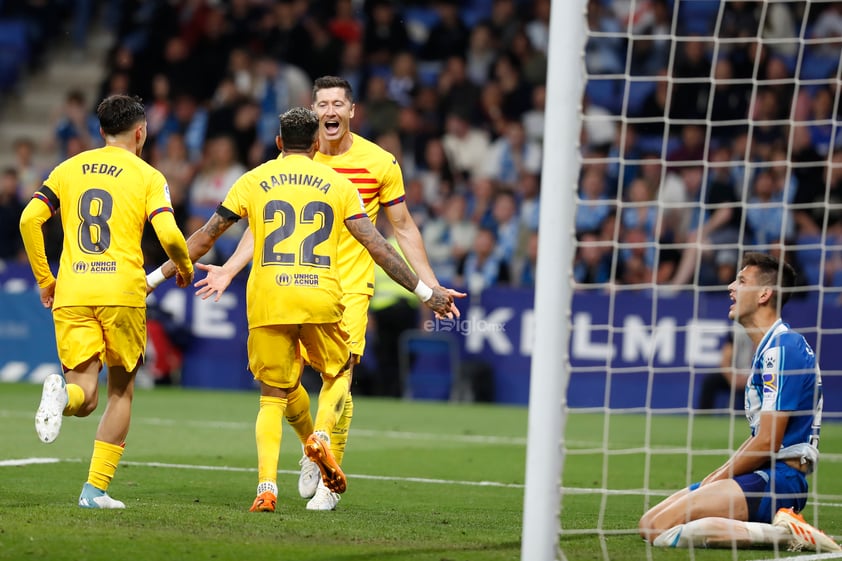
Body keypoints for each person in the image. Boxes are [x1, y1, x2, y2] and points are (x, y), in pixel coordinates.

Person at [146, 107, 455, 513]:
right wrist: (424, 291)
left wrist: (153, 280)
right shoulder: (338, 184)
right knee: (339, 372)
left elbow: (205, 238)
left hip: (268, 298)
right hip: (319, 296)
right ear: (315, 145)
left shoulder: (254, 180)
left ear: (278, 143)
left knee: (272, 397)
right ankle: (321, 437)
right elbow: (378, 246)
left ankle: (267, 488)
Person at [19, 94, 195, 509]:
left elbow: (29, 219)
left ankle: (63, 397)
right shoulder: (149, 175)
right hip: (121, 293)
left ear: (100, 132)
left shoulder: (68, 168)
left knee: (85, 394)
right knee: (120, 392)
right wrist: (183, 267)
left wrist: (46, 279)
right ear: (141, 132)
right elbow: (170, 236)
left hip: (73, 291)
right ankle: (94, 491)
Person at [639, 252, 840, 552]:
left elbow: (768, 441)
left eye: (741, 281)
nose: (731, 287)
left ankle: (786, 533)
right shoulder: (769, 348)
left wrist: (717, 477)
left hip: (780, 481)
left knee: (661, 527)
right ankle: (778, 528)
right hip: (762, 475)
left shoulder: (784, 347)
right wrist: (714, 477)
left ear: (764, 294)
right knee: (648, 523)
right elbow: (761, 438)